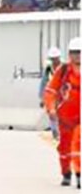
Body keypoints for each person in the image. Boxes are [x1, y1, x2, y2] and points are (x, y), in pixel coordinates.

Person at [44, 37, 80, 187]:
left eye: (79, 52)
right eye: (73, 52)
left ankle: (79, 175)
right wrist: (51, 108)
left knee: (78, 145)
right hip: (65, 117)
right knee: (65, 147)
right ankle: (66, 173)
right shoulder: (63, 71)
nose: (76, 56)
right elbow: (50, 91)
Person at [43, 46, 65, 140]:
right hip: (51, 93)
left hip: (62, 93)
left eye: (55, 58)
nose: (54, 61)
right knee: (51, 113)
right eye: (52, 59)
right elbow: (44, 81)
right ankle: (55, 132)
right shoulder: (48, 68)